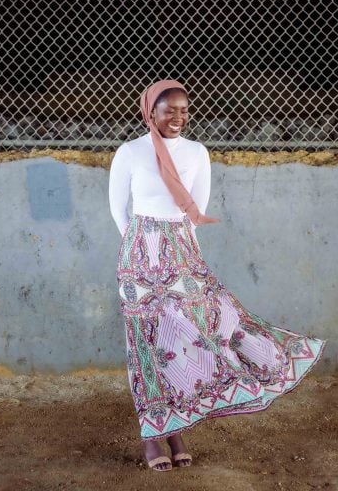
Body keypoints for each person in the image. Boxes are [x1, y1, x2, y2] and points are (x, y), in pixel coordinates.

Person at [108, 80, 326, 472]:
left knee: (199, 331)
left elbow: (196, 210)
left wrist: (182, 253)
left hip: (182, 249)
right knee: (145, 345)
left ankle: (178, 425)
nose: (178, 118)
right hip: (139, 255)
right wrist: (141, 249)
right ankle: (155, 436)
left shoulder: (197, 152)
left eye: (184, 110)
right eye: (169, 110)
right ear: (150, 112)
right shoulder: (130, 152)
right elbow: (117, 208)